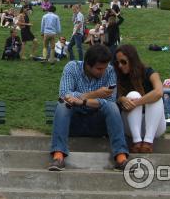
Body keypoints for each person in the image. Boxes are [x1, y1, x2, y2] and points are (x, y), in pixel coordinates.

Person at [48, 44, 129, 172]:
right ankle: (58, 156)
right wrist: (96, 94)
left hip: (99, 123)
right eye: (99, 68)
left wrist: (83, 101)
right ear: (87, 64)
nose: (103, 71)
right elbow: (65, 95)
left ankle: (121, 158)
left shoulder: (110, 71)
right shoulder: (72, 67)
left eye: (104, 67)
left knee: (112, 107)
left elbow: (110, 101)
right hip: (75, 122)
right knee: (64, 105)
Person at [114, 45, 166, 153]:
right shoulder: (118, 76)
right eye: (117, 62)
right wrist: (121, 99)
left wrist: (137, 102)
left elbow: (159, 92)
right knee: (133, 94)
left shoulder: (148, 72)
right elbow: (115, 97)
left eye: (123, 62)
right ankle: (137, 142)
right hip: (131, 128)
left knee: (155, 97)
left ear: (132, 60)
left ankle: (148, 142)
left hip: (154, 127)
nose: (120, 65)